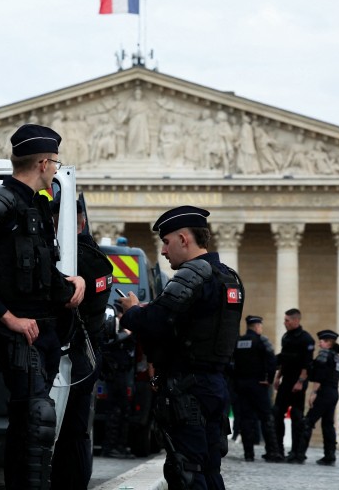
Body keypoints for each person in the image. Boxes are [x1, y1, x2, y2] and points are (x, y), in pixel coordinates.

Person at [0, 124, 86, 490]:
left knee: (33, 428)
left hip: (45, 332)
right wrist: (8, 317)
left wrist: (73, 285)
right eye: (55, 164)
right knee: (36, 420)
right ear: (43, 163)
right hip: (18, 334)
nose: (57, 170)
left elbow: (38, 275)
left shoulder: (37, 207)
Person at [118, 206, 244, 490]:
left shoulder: (193, 275)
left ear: (184, 239)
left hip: (188, 389)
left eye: (167, 241)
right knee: (210, 469)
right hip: (215, 385)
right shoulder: (229, 277)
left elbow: (156, 321)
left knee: (185, 470)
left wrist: (132, 311)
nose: (163, 250)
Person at [51, 196, 114, 490]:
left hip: (73, 352)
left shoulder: (79, 258)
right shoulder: (94, 255)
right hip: (84, 354)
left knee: (68, 429)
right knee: (75, 430)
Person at [231, 315, 279, 462]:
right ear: (258, 326)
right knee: (266, 417)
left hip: (242, 385)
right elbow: (272, 362)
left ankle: (248, 453)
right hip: (259, 385)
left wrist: (236, 381)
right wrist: (269, 380)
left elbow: (231, 364)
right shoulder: (261, 341)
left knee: (246, 419)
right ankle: (272, 451)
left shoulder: (238, 341)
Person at [270, 308, 315, 463]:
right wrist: (278, 377)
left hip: (298, 382)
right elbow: (284, 360)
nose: (285, 323)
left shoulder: (306, 339)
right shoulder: (286, 337)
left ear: (296, 321)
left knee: (297, 417)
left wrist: (300, 382)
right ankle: (279, 450)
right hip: (286, 380)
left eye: (287, 320)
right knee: (277, 413)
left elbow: (307, 364)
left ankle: (296, 452)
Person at [98, 301, 139, 459]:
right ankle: (110, 446)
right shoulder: (112, 331)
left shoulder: (125, 330)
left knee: (124, 411)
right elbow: (110, 343)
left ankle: (120, 445)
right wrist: (125, 333)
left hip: (123, 375)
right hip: (114, 376)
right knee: (114, 411)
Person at [299, 329, 339, 465]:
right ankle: (330, 455)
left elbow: (319, 375)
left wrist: (314, 393)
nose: (319, 344)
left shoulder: (324, 354)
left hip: (324, 392)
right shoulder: (337, 358)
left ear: (329, 343)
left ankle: (299, 453)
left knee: (308, 421)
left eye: (322, 341)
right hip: (334, 393)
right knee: (328, 424)